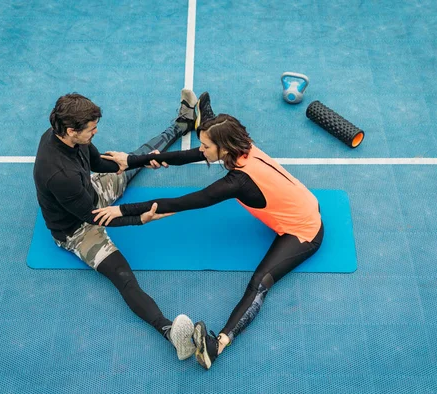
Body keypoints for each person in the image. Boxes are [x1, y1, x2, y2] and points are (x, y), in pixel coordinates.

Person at [92, 92, 324, 370]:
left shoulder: (237, 182)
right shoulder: (240, 144)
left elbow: (185, 202)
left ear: (222, 149)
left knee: (259, 283)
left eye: (205, 146)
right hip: (302, 202)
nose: (200, 150)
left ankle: (218, 345)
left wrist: (123, 210)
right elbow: (190, 154)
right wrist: (133, 160)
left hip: (303, 230)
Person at [32, 90, 200, 360]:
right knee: (123, 277)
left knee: (138, 156)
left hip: (90, 192)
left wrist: (132, 162)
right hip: (76, 229)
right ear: (72, 130)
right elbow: (94, 216)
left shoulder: (69, 136)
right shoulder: (58, 174)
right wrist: (138, 220)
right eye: (91, 129)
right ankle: (170, 333)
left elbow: (96, 162)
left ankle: (182, 123)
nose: (95, 132)